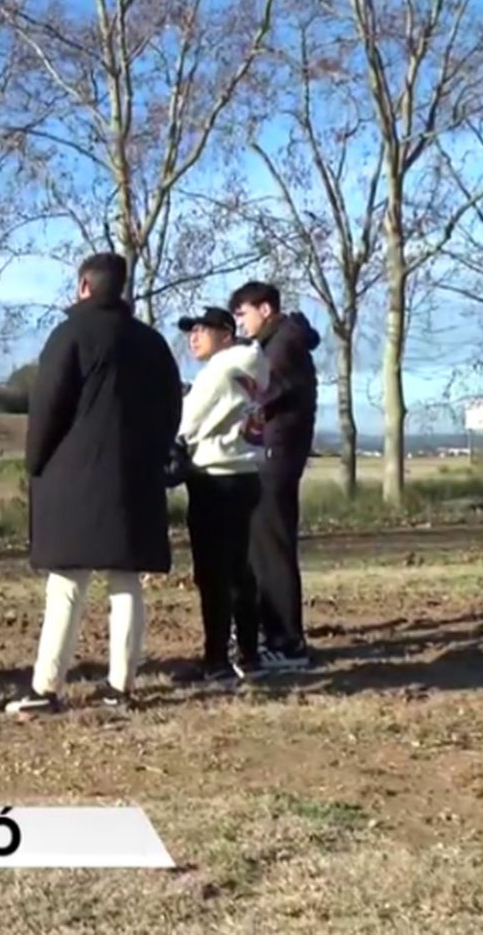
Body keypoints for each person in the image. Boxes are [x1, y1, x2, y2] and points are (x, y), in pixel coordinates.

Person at [6, 254, 182, 715]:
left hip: (74, 477)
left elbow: (47, 407)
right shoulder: (152, 342)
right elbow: (171, 410)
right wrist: (155, 454)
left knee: (66, 581)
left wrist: (35, 462)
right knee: (127, 579)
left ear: (84, 286)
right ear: (121, 288)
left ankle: (46, 686)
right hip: (135, 477)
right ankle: (121, 684)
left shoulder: (69, 335)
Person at [228, 281, 322, 672]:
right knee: (263, 546)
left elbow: (259, 393)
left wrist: (224, 384)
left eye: (243, 313)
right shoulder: (279, 342)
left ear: (265, 310)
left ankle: (287, 642)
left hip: (276, 455)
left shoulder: (282, 346)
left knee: (272, 547)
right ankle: (273, 633)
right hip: (272, 453)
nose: (240, 322)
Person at [174, 306, 269, 684]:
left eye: (202, 329)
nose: (193, 336)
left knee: (212, 573)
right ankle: (249, 653)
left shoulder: (219, 369)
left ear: (226, 333)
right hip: (246, 472)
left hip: (214, 476)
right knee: (240, 570)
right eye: (190, 330)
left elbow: (186, 422)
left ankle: (215, 658)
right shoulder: (255, 365)